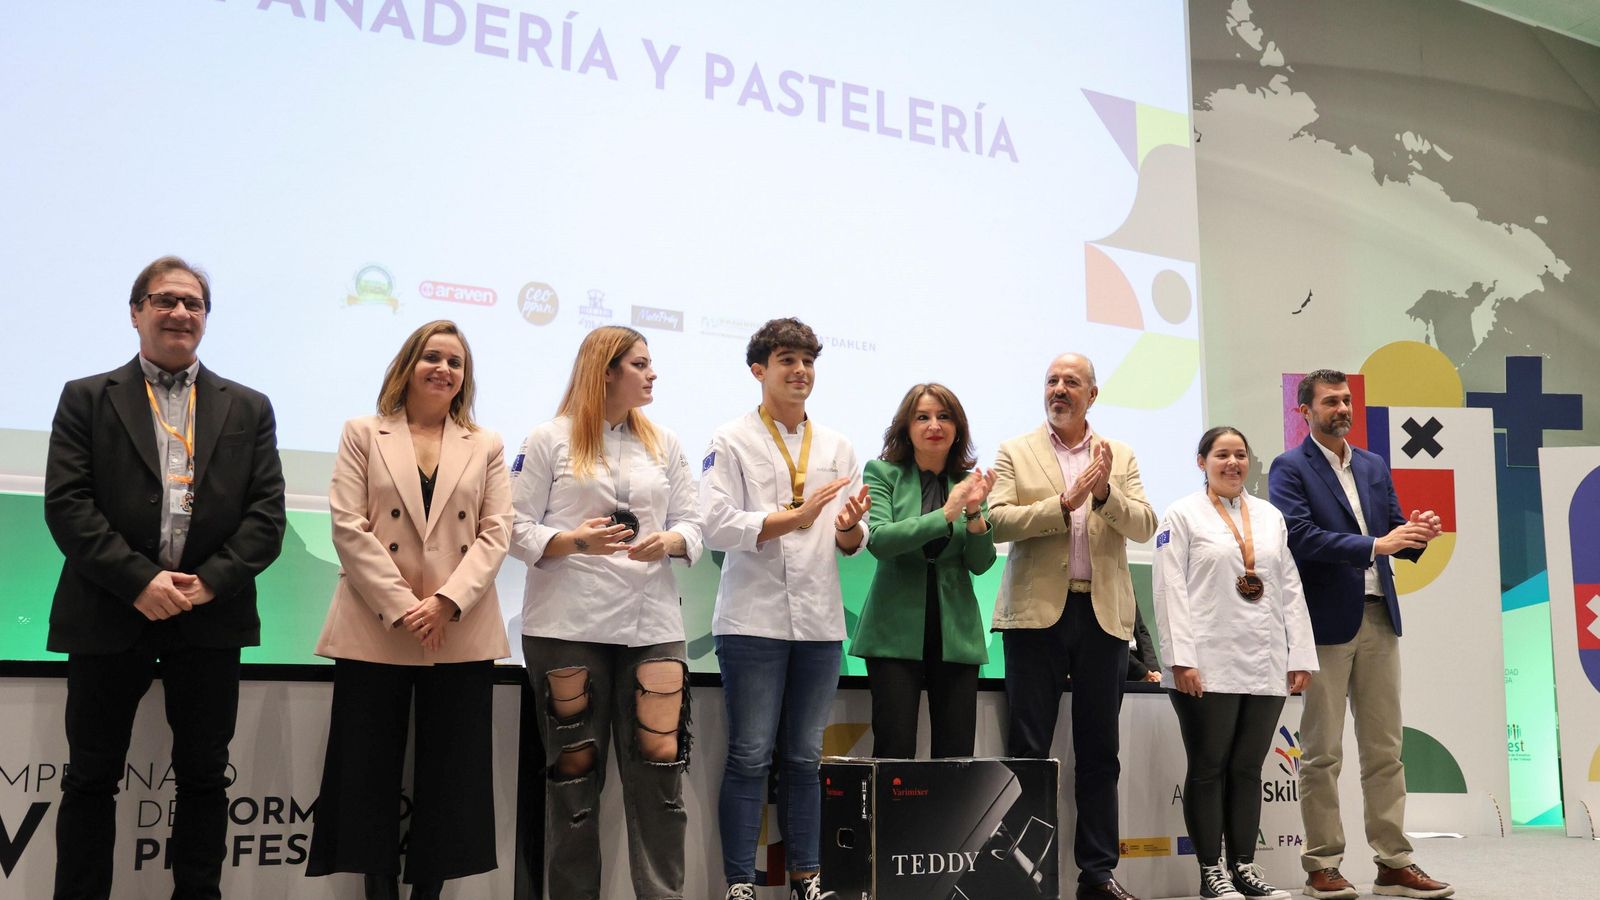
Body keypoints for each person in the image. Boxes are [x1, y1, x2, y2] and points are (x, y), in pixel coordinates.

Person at [43, 256, 286, 900]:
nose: (181, 312)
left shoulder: (249, 407)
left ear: (205, 319)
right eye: (165, 299)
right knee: (90, 777)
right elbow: (68, 506)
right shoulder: (86, 397)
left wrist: (206, 584)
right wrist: (139, 583)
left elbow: (266, 518)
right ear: (136, 312)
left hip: (211, 617)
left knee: (205, 777)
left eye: (194, 303)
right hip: (107, 611)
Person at [306, 320, 512, 899]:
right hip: (377, 626)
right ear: (408, 365)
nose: (444, 369)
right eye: (433, 357)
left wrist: (446, 602)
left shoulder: (487, 444)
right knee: (365, 774)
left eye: (456, 361)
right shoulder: (363, 433)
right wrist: (404, 607)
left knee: (453, 778)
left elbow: (498, 533)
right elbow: (348, 526)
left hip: (459, 627)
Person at [511, 325, 701, 900]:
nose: (652, 373)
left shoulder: (664, 442)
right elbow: (513, 528)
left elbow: (695, 523)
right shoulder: (548, 438)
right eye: (641, 363)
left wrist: (668, 542)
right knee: (574, 783)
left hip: (653, 624)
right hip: (567, 625)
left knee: (662, 778)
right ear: (606, 370)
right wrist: (573, 541)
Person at [700, 317, 871, 900]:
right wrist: (794, 518)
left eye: (808, 362)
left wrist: (848, 528)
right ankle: (739, 883)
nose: (801, 372)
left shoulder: (838, 445)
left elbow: (851, 539)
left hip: (820, 624)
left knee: (804, 757)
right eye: (787, 361)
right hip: (752, 620)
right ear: (759, 370)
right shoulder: (730, 439)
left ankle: (807, 878)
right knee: (749, 755)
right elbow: (718, 525)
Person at [1267, 370, 1451, 900]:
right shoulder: (1289, 467)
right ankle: (1322, 864)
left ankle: (1394, 863)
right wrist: (1377, 544)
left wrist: (1418, 534)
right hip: (1324, 623)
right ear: (1305, 411)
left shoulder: (1371, 465)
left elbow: (1394, 530)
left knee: (1385, 751)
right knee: (1322, 752)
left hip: (1378, 619)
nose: (1342, 408)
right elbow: (1299, 537)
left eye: (1346, 400)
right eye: (1330, 401)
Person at [987, 351, 1156, 900]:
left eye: (1071, 382)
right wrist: (1064, 502)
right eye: (1052, 381)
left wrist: (1104, 493)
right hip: (1036, 616)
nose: (1059, 389)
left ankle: (1098, 875)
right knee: (1029, 746)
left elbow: (1146, 524)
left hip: (1104, 615)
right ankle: (1022, 875)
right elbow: (995, 522)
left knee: (1099, 751)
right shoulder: (1016, 451)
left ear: (1092, 394)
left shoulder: (1119, 455)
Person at [1154, 426, 1317, 900]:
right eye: (1222, 455)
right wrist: (1181, 658)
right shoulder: (1181, 514)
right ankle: (1211, 871)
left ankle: (1244, 865)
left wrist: (1299, 653)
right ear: (1201, 461)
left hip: (1265, 663)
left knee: (1248, 769)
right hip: (1205, 662)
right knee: (1208, 766)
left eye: (1240, 455)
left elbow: (1289, 586)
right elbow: (1168, 591)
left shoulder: (1268, 517)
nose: (1232, 463)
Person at [851, 383, 996, 758]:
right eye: (923, 417)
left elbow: (980, 564)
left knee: (956, 755)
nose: (935, 425)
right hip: (893, 631)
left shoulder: (969, 482)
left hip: (956, 632)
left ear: (957, 428)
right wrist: (946, 514)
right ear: (907, 427)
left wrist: (975, 512)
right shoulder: (883, 472)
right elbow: (881, 540)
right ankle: (894, 821)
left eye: (944, 416)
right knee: (895, 751)